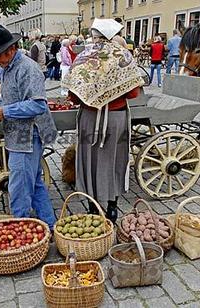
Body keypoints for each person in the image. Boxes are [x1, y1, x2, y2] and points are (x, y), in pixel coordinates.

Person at [62, 18, 144, 223]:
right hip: (116, 118)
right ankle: (113, 207)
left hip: (90, 117)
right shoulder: (123, 55)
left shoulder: (83, 57)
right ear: (113, 36)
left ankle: (92, 206)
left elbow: (72, 96)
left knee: (89, 160)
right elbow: (134, 93)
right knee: (114, 159)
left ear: (94, 36)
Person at [0, 24, 57, 230]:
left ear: (11, 49)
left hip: (27, 137)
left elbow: (38, 105)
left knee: (20, 188)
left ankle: (20, 232)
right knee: (35, 183)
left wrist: (3, 112)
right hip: (18, 134)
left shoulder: (27, 68)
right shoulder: (8, 67)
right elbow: (8, 98)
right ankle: (50, 226)